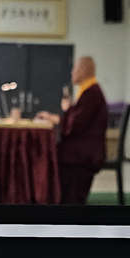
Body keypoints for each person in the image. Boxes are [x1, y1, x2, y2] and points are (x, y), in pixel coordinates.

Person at [36, 55, 108, 204]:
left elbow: (74, 126)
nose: (72, 72)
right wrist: (58, 115)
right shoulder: (88, 91)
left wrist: (66, 110)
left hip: (84, 154)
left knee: (51, 152)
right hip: (83, 149)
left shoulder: (92, 93)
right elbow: (75, 120)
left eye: (74, 69)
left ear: (83, 70)